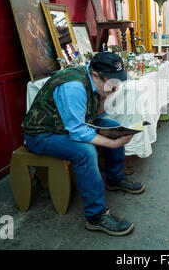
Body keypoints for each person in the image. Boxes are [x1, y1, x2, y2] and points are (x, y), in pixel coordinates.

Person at [22, 52, 145, 236]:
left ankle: (115, 179)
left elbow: (97, 117)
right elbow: (78, 131)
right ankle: (96, 216)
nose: (115, 87)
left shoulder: (94, 81)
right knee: (85, 152)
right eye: (112, 82)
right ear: (95, 76)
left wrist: (104, 98)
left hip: (65, 126)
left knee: (113, 125)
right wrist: (111, 144)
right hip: (42, 134)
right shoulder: (74, 86)